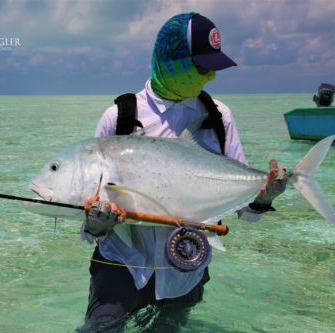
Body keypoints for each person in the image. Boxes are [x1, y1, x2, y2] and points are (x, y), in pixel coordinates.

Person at [80, 12, 287, 324]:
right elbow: (90, 203)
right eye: (203, 67)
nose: (211, 77)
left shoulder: (219, 117)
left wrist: (267, 194)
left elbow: (244, 205)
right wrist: (97, 224)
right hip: (121, 263)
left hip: (186, 265)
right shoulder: (120, 116)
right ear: (172, 59)